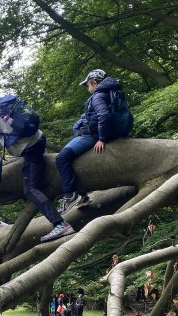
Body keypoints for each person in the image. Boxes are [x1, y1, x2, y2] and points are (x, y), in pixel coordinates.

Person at [0, 97, 75, 243]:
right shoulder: (3, 109)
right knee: (36, 181)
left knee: (30, 190)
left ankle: (60, 224)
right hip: (39, 140)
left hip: (31, 149)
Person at [56, 69, 131, 213]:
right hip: (109, 133)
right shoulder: (111, 92)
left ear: (94, 83)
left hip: (93, 135)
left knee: (61, 158)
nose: (87, 88)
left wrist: (102, 138)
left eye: (88, 85)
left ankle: (71, 195)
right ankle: (83, 198)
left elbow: (104, 116)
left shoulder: (98, 96)